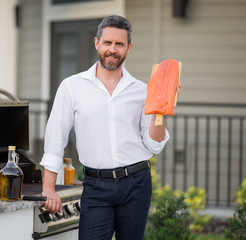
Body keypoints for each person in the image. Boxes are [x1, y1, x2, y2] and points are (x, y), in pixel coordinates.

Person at [40, 15, 176, 240]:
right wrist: (48, 188)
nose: (113, 49)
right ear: (97, 43)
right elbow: (55, 140)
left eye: (119, 44)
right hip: (95, 186)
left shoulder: (143, 90)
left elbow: (154, 144)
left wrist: (161, 106)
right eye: (108, 43)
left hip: (136, 182)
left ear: (128, 47)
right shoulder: (72, 87)